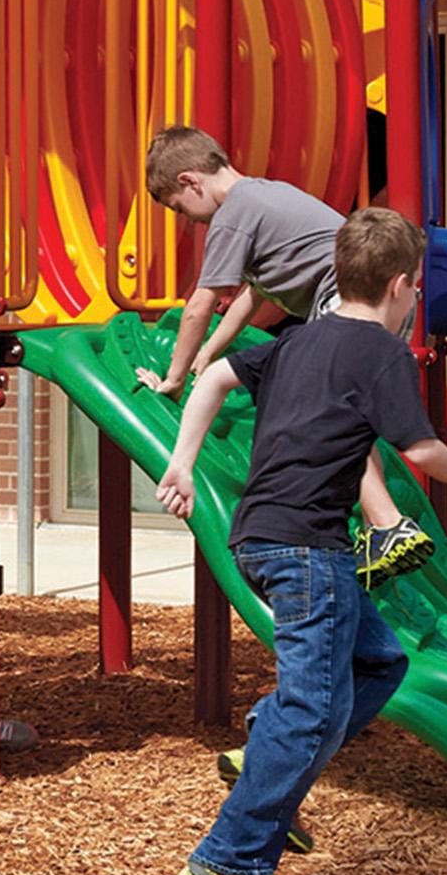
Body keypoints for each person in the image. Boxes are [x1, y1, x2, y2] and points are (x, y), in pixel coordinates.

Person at [156, 208, 447, 875]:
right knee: (312, 709)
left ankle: (267, 743)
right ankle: (227, 857)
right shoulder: (382, 354)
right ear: (403, 287)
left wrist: (183, 463)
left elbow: (214, 377)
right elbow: (420, 449)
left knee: (378, 663)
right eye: (414, 292)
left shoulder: (295, 340)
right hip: (306, 550)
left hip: (265, 537)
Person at [136, 126, 430, 586]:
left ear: (191, 181)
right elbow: (253, 293)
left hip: (349, 296)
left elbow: (200, 305)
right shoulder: (265, 196)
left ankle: (387, 524)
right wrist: (210, 352)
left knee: (328, 416)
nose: (187, 220)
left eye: (179, 207)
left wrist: (173, 379)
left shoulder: (234, 213)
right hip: (389, 294)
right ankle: (382, 524)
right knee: (350, 415)